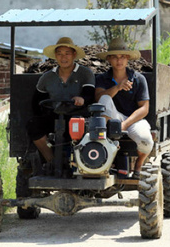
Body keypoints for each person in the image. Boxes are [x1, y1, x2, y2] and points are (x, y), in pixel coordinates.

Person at [27, 37, 95, 164]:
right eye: (59, 54)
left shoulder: (85, 73)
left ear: (74, 55)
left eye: (67, 53)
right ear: (55, 56)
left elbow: (90, 96)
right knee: (33, 124)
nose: (63, 57)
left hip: (78, 116)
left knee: (83, 127)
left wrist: (82, 99)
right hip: (55, 116)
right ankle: (51, 161)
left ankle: (80, 163)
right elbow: (36, 102)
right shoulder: (47, 77)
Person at [95, 38, 153, 179]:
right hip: (113, 118)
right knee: (104, 99)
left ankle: (139, 164)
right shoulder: (102, 78)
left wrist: (125, 124)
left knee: (146, 141)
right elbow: (98, 99)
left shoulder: (138, 79)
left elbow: (144, 108)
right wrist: (118, 87)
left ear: (127, 59)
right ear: (109, 59)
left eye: (122, 57)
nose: (118, 60)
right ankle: (106, 160)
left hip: (134, 119)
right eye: (114, 57)